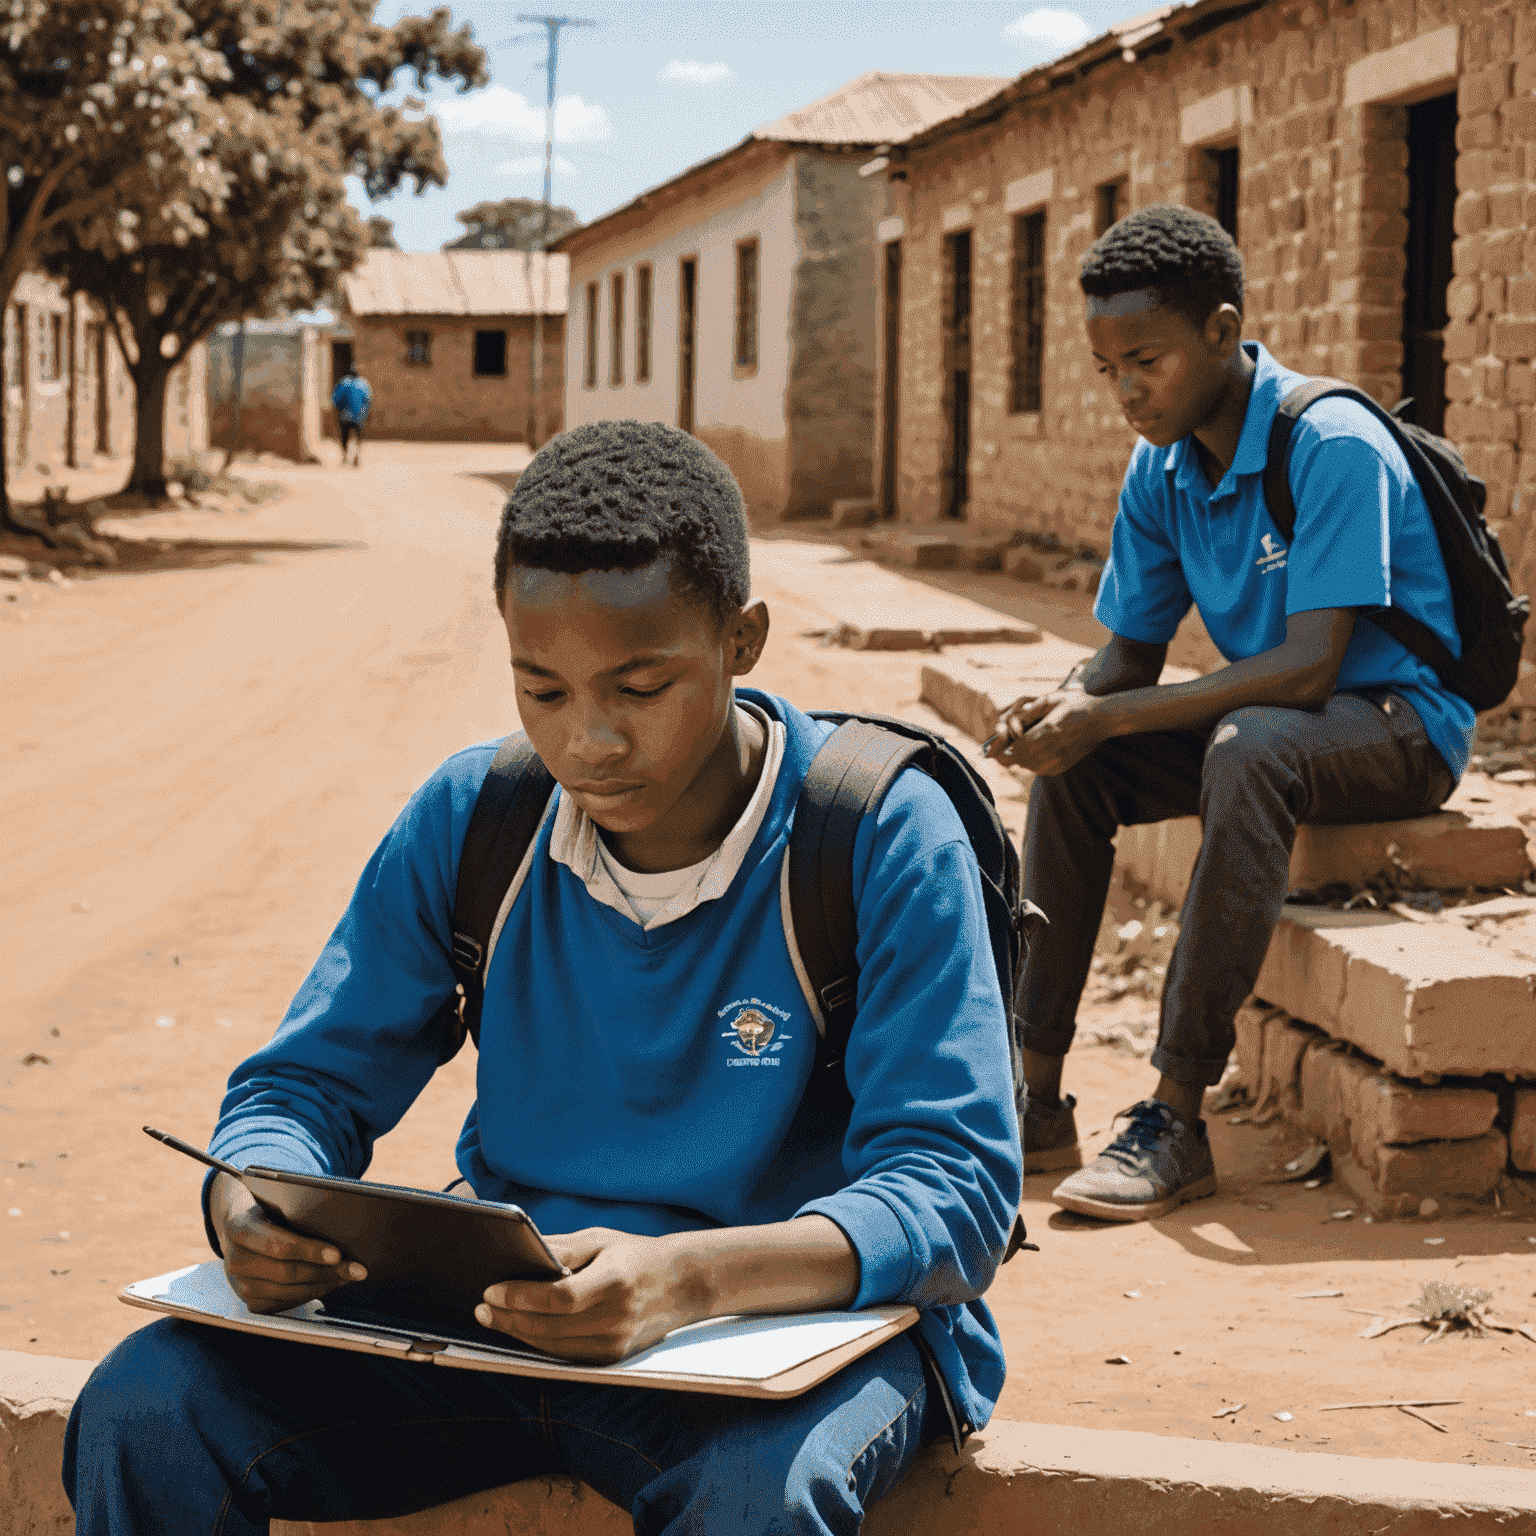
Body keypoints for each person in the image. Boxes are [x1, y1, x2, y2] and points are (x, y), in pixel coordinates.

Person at [64, 420, 1022, 1536]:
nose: (591, 742)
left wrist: (687, 1281)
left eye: (641, 685)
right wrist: (252, 1198)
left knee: (762, 1499)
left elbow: (955, 1188)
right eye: (543, 690)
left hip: (779, 1346)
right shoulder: (479, 819)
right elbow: (301, 1091)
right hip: (505, 1327)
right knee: (149, 1404)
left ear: (743, 639)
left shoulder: (872, 835)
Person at [991, 205, 1470, 1223]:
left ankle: (1174, 1117)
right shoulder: (1159, 465)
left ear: (1221, 331)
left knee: (1249, 749)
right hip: (1278, 731)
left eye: (1146, 360)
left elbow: (1307, 669)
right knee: (1080, 766)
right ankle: (1032, 1093)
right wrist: (1066, 707)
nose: (1125, 390)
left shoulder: (1329, 442)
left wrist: (1113, 716)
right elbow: (1129, 655)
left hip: (1396, 725)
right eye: (1105, 365)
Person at [331, 365, 371, 467]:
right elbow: (368, 400)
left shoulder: (344, 383)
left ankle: (345, 456)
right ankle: (356, 455)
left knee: (345, 437)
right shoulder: (363, 383)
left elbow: (336, 399)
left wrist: (338, 409)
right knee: (358, 438)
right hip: (359, 417)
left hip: (345, 416)